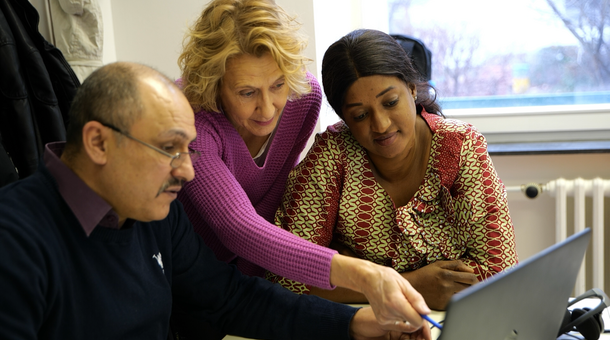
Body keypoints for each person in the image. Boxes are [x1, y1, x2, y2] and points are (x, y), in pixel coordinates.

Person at [0, 61, 432, 340]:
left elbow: (230, 299)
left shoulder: (152, 211)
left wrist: (357, 325)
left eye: (189, 149)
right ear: (98, 143)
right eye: (169, 148)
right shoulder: (15, 240)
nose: (187, 170)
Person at [176, 0, 431, 328]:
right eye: (246, 92)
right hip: (186, 280)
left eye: (277, 84)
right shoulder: (190, 118)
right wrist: (364, 274)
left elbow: (272, 201)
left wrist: (262, 299)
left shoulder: (303, 98)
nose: (267, 108)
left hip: (246, 290)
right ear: (214, 83)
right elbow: (236, 225)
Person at [267, 29, 519, 311]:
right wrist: (412, 284)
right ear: (344, 118)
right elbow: (288, 276)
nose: (382, 125)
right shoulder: (331, 156)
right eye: (360, 115)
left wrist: (350, 273)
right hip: (365, 324)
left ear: (412, 89)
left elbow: (500, 273)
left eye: (390, 102)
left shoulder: (461, 147)